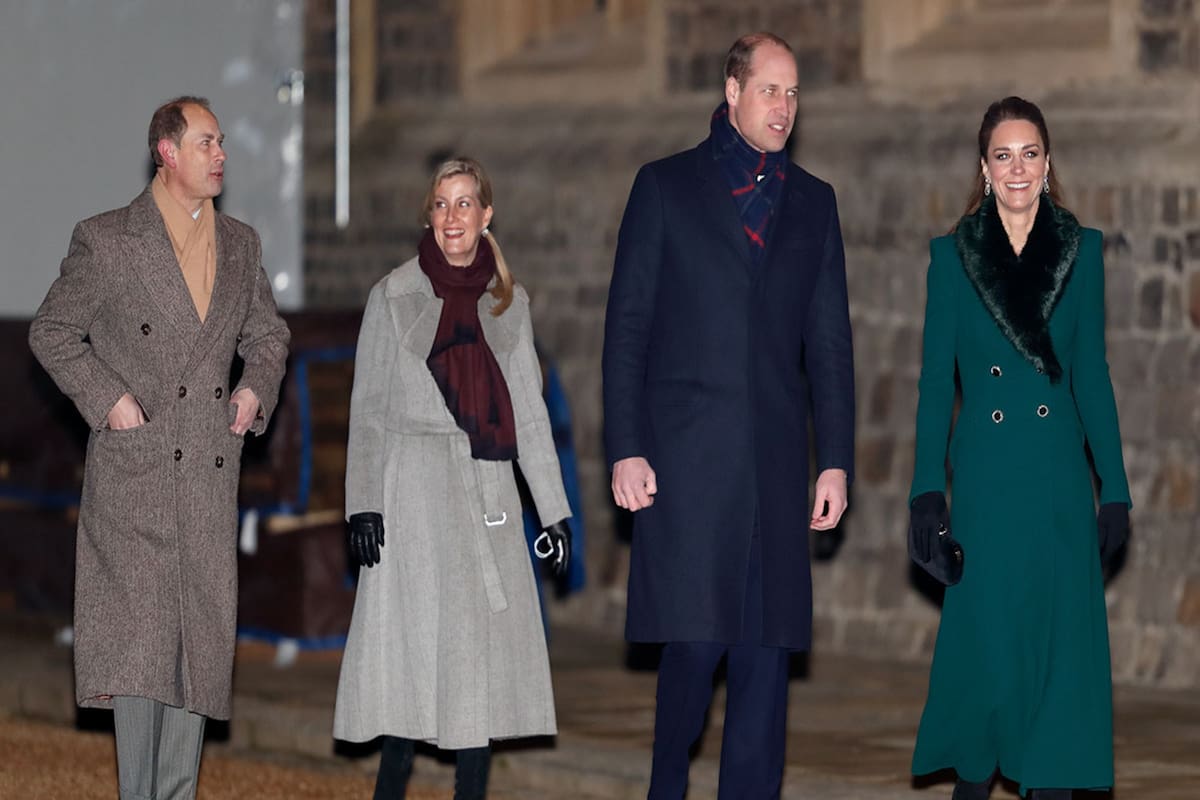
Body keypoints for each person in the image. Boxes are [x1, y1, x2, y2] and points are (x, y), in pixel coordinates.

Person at [602, 32, 855, 798]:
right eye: (770, 90)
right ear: (733, 90)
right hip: (688, 473)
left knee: (764, 670)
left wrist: (836, 458)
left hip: (777, 477)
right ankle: (666, 786)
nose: (784, 106)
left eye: (793, 93)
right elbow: (628, 330)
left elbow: (831, 345)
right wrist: (626, 447)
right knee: (694, 654)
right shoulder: (666, 187)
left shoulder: (814, 203)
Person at [28, 95, 290, 800]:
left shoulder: (241, 245)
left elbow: (269, 338)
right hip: (136, 480)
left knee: (196, 660)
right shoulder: (109, 239)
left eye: (223, 142)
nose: (221, 155)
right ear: (166, 153)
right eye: (206, 142)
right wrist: (108, 398)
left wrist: (253, 391)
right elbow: (52, 330)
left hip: (206, 477)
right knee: (142, 658)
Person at [908, 96, 1131, 800]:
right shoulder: (951, 259)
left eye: (1029, 153)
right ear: (983, 167)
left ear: (1047, 163)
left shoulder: (1083, 250)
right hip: (986, 485)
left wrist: (1116, 488)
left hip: (1059, 483)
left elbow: (1091, 376)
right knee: (989, 660)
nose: (1017, 167)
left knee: (1056, 667)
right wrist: (924, 492)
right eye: (1002, 154)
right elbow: (933, 386)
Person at [333, 157, 573, 800]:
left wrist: (554, 511)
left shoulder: (507, 301)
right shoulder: (393, 295)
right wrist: (364, 506)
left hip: (485, 495)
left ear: (486, 214)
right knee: (407, 674)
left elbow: (528, 412)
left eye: (464, 204)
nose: (451, 218)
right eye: (441, 205)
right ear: (429, 215)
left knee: (475, 675)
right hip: (410, 496)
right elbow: (369, 410)